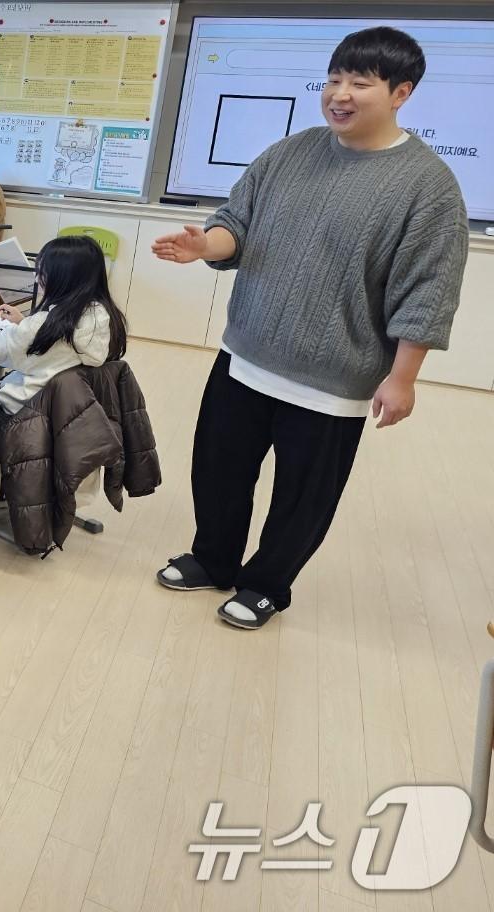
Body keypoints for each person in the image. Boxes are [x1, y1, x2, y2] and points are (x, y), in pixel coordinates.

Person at [151, 26, 468, 630]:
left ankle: (267, 584)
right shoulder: (293, 151)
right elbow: (235, 224)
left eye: (360, 82)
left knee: (301, 497)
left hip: (332, 380)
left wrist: (403, 378)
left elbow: (428, 291)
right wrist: (204, 245)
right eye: (333, 79)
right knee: (218, 470)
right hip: (246, 353)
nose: (340, 94)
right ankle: (212, 558)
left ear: (401, 92)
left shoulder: (428, 188)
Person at [0, 235, 128, 507]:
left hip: (21, 419)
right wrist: (24, 323)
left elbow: (0, 351)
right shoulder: (102, 316)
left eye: (42, 274)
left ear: (62, 278)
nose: (38, 280)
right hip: (59, 421)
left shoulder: (45, 326)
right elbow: (53, 352)